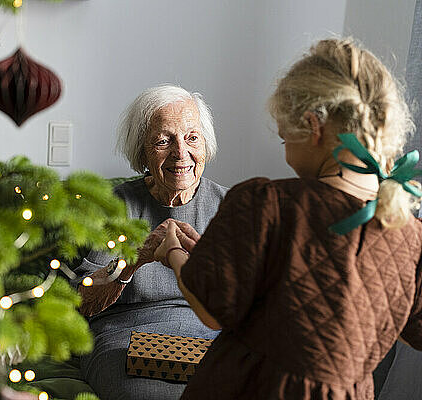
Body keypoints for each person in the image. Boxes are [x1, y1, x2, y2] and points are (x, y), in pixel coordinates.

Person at [154, 38, 422, 399]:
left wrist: (173, 253)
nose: (287, 157)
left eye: (284, 140)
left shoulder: (266, 202)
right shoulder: (410, 233)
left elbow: (213, 311)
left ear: (313, 127)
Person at [74, 85, 228, 400]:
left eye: (192, 138)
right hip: (124, 339)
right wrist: (136, 257)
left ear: (206, 145)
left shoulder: (229, 206)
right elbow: (80, 302)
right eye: (163, 140)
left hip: (211, 338)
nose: (181, 153)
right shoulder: (113, 208)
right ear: (142, 152)